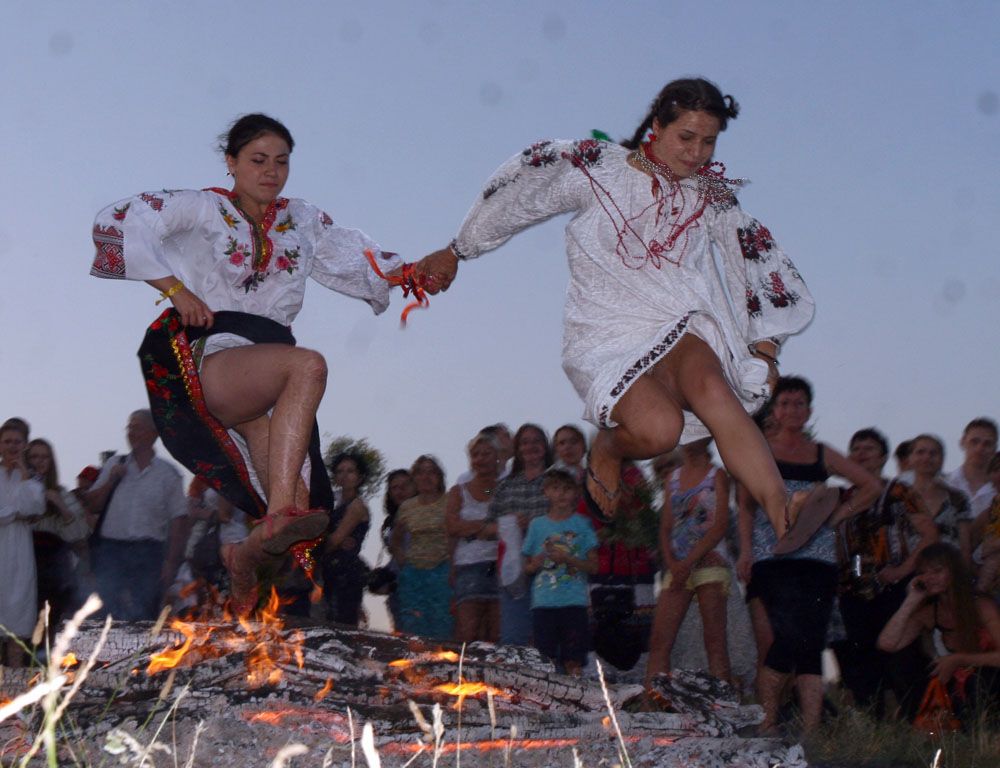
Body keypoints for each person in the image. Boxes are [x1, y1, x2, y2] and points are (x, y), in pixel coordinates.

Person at [418, 77, 815, 542]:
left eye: (708, 142)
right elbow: (525, 183)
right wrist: (458, 249)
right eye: (686, 138)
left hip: (681, 318)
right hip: (608, 331)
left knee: (712, 385)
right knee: (659, 432)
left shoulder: (712, 197)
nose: (696, 154)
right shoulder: (597, 167)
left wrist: (765, 350)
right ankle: (606, 448)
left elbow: (756, 262)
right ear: (657, 126)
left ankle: (780, 506)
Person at [90, 113, 428, 613]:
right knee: (308, 367)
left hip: (267, 368)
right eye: (258, 160)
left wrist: (418, 272)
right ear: (231, 162)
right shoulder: (203, 208)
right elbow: (118, 220)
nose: (271, 171)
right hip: (218, 350)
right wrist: (176, 290)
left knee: (306, 514)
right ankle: (275, 512)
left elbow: (362, 259)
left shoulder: (303, 220)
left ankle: (242, 556)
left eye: (282, 162)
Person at [740, 376, 881, 734]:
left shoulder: (821, 452)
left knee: (811, 641)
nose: (792, 410)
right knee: (783, 637)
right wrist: (744, 552)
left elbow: (870, 485)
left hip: (817, 560)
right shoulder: (760, 450)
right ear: (776, 409)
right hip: (771, 556)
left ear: (809, 410)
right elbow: (744, 505)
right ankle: (768, 721)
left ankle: (812, 730)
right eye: (785, 403)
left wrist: (836, 517)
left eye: (799, 403)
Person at [833, 428, 938, 720]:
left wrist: (904, 569)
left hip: (893, 586)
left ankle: (917, 720)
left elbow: (929, 533)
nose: (862, 454)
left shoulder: (899, 491)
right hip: (851, 590)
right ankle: (873, 724)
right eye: (856, 449)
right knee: (859, 660)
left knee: (901, 656)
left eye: (869, 449)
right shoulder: (841, 497)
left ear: (882, 457)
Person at [878, 543, 1000, 727]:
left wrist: (958, 659)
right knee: (900, 662)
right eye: (924, 572)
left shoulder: (981, 605)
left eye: (937, 571)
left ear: (954, 571)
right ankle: (924, 725)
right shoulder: (930, 611)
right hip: (954, 681)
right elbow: (887, 644)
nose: (929, 578)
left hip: (988, 679)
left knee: (978, 681)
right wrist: (911, 600)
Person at [83, 410, 189, 620]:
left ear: (153, 433)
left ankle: (141, 652)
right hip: (111, 551)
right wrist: (111, 480)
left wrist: (170, 563)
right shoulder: (115, 464)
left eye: (137, 427)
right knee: (106, 613)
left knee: (145, 613)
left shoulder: (168, 474)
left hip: (149, 553)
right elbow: (92, 504)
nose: (131, 432)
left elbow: (179, 522)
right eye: (129, 427)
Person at [645, 437, 732, 688]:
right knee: (660, 640)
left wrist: (688, 562)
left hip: (710, 562)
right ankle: (651, 708)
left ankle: (723, 710)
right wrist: (673, 562)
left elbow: (719, 525)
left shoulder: (717, 476)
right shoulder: (672, 478)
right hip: (678, 565)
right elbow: (666, 527)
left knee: (714, 641)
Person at [522, 467, 598, 675]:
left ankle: (577, 700)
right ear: (546, 491)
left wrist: (569, 559)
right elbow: (526, 567)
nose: (561, 494)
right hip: (544, 603)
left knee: (573, 659)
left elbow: (594, 565)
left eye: (566, 489)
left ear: (575, 492)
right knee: (543, 660)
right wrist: (536, 563)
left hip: (574, 603)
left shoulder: (582, 524)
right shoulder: (537, 525)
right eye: (555, 488)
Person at [489, 423, 553, 646]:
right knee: (513, 635)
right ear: (517, 449)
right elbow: (487, 527)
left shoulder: (558, 481)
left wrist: (536, 525)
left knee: (550, 635)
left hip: (552, 566)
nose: (530, 446)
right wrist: (509, 525)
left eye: (536, 441)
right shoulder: (504, 487)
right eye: (525, 442)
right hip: (513, 567)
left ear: (545, 447)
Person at [26, 438, 90, 635]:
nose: (39, 461)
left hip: (53, 568)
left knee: (50, 623)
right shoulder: (17, 490)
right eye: (34, 456)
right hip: (24, 563)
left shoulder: (61, 493)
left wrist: (59, 504)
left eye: (44, 457)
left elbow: (79, 533)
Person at [446, 431, 502, 644]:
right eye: (476, 454)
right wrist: (488, 527)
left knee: (496, 633)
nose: (480, 459)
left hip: (500, 565)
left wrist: (469, 528)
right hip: (468, 565)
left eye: (486, 454)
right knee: (467, 632)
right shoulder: (458, 491)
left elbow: (510, 525)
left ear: (497, 456)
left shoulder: (505, 489)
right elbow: (451, 527)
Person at [390, 456, 452, 640]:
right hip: (413, 574)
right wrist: (402, 559)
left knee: (442, 622)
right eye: (421, 472)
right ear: (414, 478)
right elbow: (396, 538)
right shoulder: (407, 507)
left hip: (442, 570)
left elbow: (455, 535)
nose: (426, 477)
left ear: (439, 477)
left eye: (431, 472)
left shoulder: (449, 502)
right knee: (413, 624)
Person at [0, 422, 44, 666]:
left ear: (25, 445)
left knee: (15, 633)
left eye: (17, 442)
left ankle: (13, 698)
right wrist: (14, 514)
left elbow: (34, 508)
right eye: (7, 441)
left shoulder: (32, 478)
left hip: (19, 555)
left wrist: (25, 477)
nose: (12, 446)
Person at [321, 452, 372, 626]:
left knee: (341, 625)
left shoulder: (357, 506)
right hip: (328, 571)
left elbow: (334, 540)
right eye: (340, 471)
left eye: (350, 471)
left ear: (359, 477)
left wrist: (309, 554)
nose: (344, 475)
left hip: (346, 574)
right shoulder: (332, 502)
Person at [909, 434, 973, 565]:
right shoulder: (897, 499)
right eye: (920, 452)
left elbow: (965, 546)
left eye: (933, 453)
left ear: (942, 459)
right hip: (908, 572)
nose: (926, 457)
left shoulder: (958, 498)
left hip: (949, 570)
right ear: (910, 458)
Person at [381, 468, 416, 630]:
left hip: (420, 583)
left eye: (405, 486)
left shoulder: (425, 514)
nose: (399, 491)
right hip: (397, 588)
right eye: (394, 487)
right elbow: (395, 557)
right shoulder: (390, 521)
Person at [945, 418, 998, 522]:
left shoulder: (997, 489)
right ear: (962, 442)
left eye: (987, 444)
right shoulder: (946, 485)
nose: (980, 448)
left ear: (995, 448)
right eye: (974, 442)